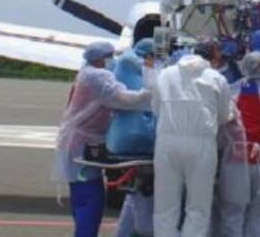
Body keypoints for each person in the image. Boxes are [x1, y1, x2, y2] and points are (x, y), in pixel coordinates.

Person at [54, 40, 153, 237]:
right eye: (109, 56)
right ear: (100, 59)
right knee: (90, 198)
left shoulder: (87, 73)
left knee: (83, 197)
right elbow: (123, 99)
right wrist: (151, 91)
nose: (112, 60)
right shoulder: (98, 77)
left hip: (79, 141)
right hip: (81, 145)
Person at [153, 39, 233, 237]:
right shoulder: (217, 78)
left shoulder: (165, 74)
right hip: (202, 144)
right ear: (213, 57)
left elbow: (156, 108)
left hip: (166, 142)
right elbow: (224, 116)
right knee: (198, 207)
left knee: (165, 205)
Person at [218, 51, 260, 237]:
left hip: (236, 157)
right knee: (259, 211)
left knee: (233, 210)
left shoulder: (233, 89)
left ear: (243, 66)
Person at [111, 39, 160, 237]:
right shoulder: (132, 64)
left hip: (126, 139)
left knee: (134, 194)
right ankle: (143, 231)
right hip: (140, 141)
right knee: (143, 191)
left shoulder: (123, 63)